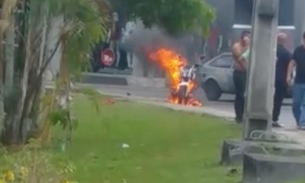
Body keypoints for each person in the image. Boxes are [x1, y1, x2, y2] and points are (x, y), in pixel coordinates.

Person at [272, 33, 291, 128]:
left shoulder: (272, 51)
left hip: (271, 78)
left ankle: (267, 116)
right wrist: (289, 78)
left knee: (269, 99)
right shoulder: (286, 53)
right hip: (281, 79)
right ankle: (274, 119)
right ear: (283, 41)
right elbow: (289, 67)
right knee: (278, 100)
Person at [286, 32, 305, 129]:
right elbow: (292, 63)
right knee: (296, 104)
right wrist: (288, 76)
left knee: (304, 104)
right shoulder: (298, 51)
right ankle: (299, 121)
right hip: (298, 81)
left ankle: (303, 123)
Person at [232, 30, 251, 123]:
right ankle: (239, 116)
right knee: (240, 95)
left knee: (246, 95)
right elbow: (241, 57)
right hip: (239, 72)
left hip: (247, 73)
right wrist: (247, 47)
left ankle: (244, 114)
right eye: (246, 37)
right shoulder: (237, 46)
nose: (247, 39)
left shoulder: (250, 47)